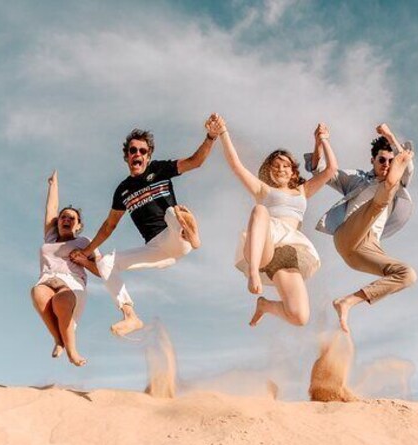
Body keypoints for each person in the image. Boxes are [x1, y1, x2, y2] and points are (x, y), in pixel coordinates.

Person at [72, 125, 215, 336]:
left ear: (148, 156)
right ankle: (130, 315)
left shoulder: (159, 169)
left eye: (142, 151)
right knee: (105, 262)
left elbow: (196, 161)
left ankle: (190, 234)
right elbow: (109, 226)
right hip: (157, 250)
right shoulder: (123, 190)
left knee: (173, 213)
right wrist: (86, 253)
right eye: (133, 151)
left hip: (175, 236)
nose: (137, 154)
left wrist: (211, 137)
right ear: (127, 156)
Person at [206, 113, 338, 327]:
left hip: (290, 251)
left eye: (285, 165)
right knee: (260, 211)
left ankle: (265, 305)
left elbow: (331, 169)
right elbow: (236, 165)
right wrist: (223, 133)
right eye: (275, 166)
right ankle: (253, 273)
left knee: (299, 317)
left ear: (293, 171)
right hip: (265, 247)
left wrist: (321, 140)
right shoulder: (263, 190)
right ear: (269, 171)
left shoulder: (302, 191)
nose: (281, 169)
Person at [306, 123, 416, 333]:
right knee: (380, 201)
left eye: (391, 162)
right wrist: (319, 141)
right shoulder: (357, 179)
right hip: (348, 234)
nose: (386, 164)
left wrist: (389, 135)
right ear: (372, 161)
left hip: (366, 249)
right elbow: (319, 170)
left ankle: (347, 302)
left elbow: (407, 165)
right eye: (381, 160)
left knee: (407, 274)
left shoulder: (400, 184)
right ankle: (387, 186)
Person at [31, 171, 101, 366]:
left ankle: (72, 351)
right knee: (37, 293)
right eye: (63, 217)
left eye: (72, 218)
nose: (66, 219)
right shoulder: (50, 237)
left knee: (61, 301)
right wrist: (53, 185)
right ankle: (58, 340)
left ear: (78, 226)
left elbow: (102, 270)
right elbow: (51, 208)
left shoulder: (84, 241)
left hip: (72, 283)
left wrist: (85, 261)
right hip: (46, 278)